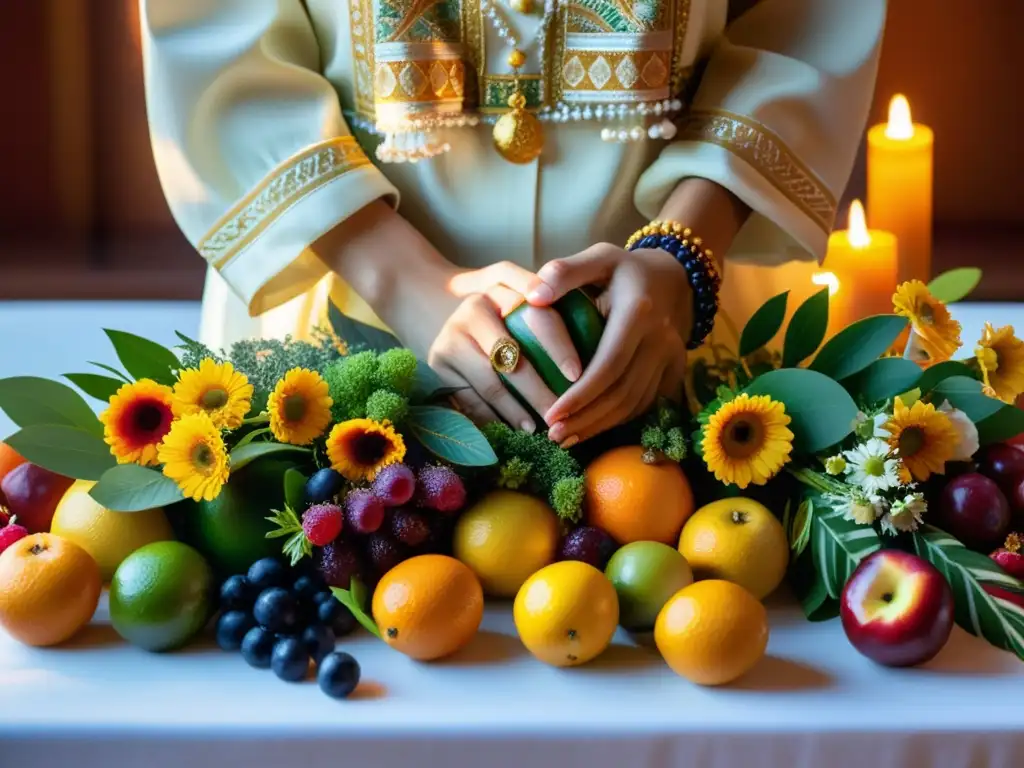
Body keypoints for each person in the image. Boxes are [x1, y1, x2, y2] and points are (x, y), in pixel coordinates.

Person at [139, 0, 886, 446]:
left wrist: (681, 257)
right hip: (338, 335)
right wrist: (403, 282)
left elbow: (808, 20)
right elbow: (215, 29)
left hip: (682, 349)